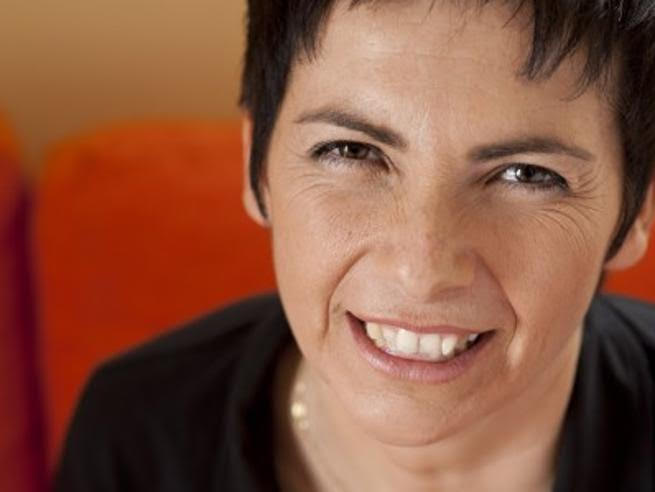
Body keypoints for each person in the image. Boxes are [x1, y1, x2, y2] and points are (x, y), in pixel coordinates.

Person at [54, 1, 655, 491]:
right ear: (257, 168)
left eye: (526, 174)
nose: (422, 270)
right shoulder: (135, 434)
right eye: (352, 151)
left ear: (637, 213)